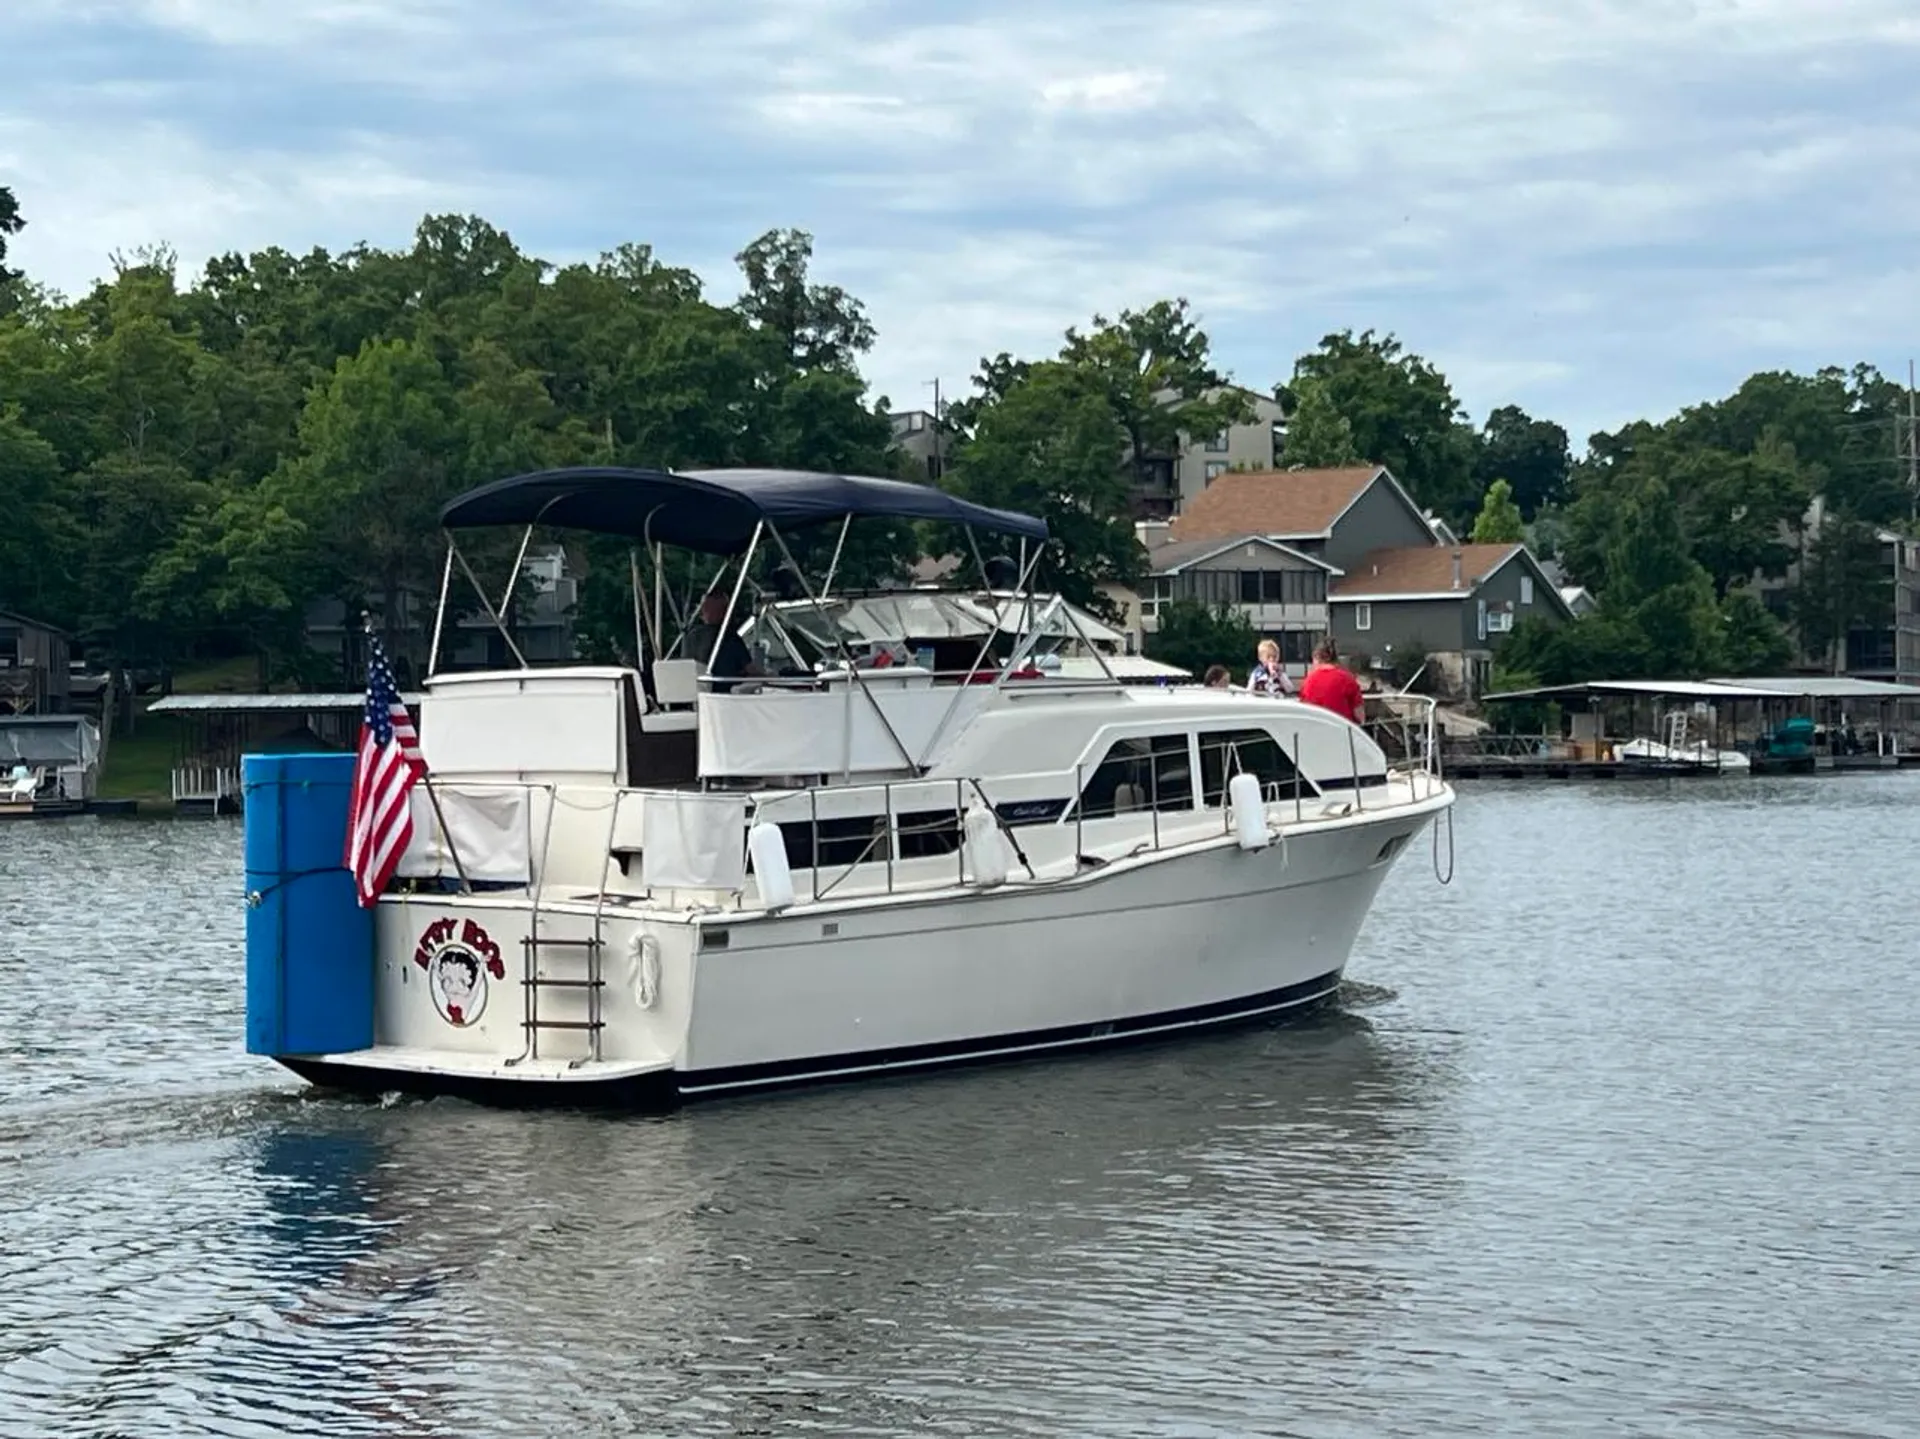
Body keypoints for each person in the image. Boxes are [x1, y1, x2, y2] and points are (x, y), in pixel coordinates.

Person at [680, 591, 754, 693]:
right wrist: (769, 676)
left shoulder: (692, 636)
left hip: (697, 695)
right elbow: (750, 669)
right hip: (726, 694)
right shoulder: (730, 638)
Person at [1298, 641, 1365, 725]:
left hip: (1316, 730)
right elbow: (1359, 715)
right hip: (1342, 730)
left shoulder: (1308, 681)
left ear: (1316, 658)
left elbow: (1303, 711)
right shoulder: (1348, 679)